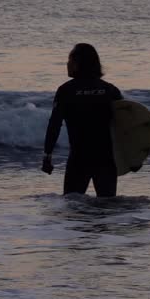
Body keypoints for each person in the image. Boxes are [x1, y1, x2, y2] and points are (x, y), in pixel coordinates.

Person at [42, 43, 123, 197]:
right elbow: (127, 124)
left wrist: (47, 155)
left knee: (73, 210)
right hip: (105, 160)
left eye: (70, 59)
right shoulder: (109, 90)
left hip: (79, 159)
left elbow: (54, 125)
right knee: (107, 210)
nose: (67, 64)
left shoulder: (66, 91)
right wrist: (132, 158)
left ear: (78, 63)